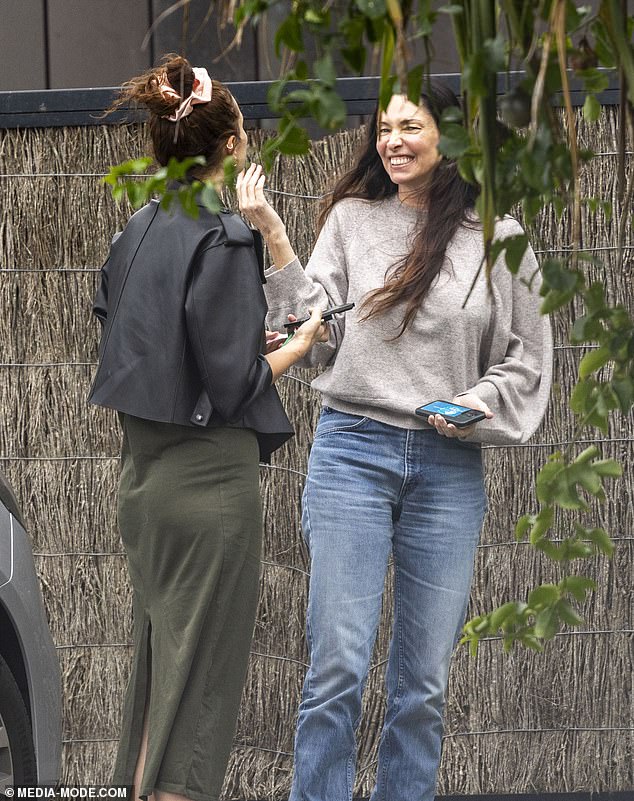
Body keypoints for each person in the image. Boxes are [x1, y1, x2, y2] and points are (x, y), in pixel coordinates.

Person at [236, 81, 553, 801]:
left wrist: (473, 403)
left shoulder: (497, 238)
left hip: (448, 471)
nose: (392, 140)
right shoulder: (352, 220)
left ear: (453, 139)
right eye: (383, 126)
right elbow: (314, 337)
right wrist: (279, 239)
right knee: (337, 670)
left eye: (411, 125)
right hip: (353, 453)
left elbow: (526, 359)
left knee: (423, 685)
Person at [88, 54, 328, 801]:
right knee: (199, 705)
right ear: (231, 146)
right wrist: (299, 343)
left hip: (145, 485)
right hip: (210, 488)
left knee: (160, 677)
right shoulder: (224, 235)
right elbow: (233, 381)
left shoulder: (136, 227)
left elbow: (123, 327)